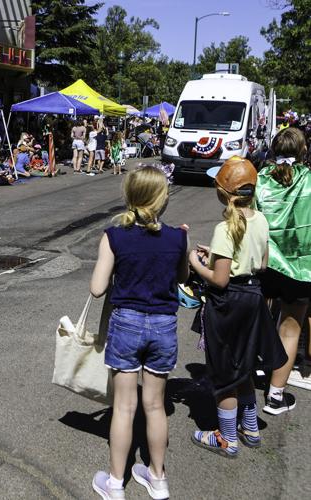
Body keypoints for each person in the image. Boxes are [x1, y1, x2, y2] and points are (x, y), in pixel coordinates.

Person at [89, 166, 188, 500]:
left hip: (127, 323)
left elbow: (98, 288)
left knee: (124, 408)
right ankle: (158, 478)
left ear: (129, 196)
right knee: (156, 406)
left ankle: (116, 483)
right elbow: (182, 275)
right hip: (162, 325)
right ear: (162, 198)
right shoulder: (177, 237)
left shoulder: (114, 236)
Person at [189, 157, 286, 457]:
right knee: (244, 365)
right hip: (253, 297)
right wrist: (217, 253)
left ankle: (227, 439)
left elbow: (219, 280)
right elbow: (262, 263)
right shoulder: (260, 220)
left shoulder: (225, 227)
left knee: (224, 372)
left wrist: (195, 262)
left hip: (228, 302)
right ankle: (251, 428)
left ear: (223, 193)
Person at [255, 128, 311, 413]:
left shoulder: (260, 180)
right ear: (303, 152)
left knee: (259, 318)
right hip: (301, 268)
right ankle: (276, 396)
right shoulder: (310, 180)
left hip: (263, 263)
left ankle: (256, 367)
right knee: (291, 328)